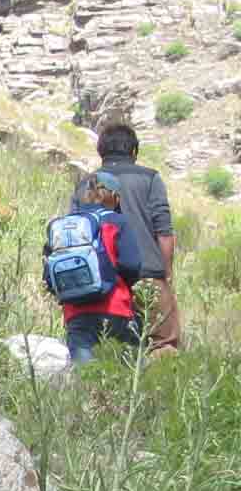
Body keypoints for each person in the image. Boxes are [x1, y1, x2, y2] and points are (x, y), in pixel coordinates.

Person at [76, 122, 179, 352]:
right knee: (162, 346)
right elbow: (164, 232)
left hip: (99, 282)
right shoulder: (150, 178)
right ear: (134, 151)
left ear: (101, 151)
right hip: (147, 276)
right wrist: (166, 276)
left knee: (106, 353)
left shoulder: (86, 183)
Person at [57, 170, 145, 364]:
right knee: (129, 378)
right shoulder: (117, 221)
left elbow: (49, 272)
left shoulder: (64, 226)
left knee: (86, 381)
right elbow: (132, 265)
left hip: (76, 313)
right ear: (113, 196)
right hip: (116, 309)